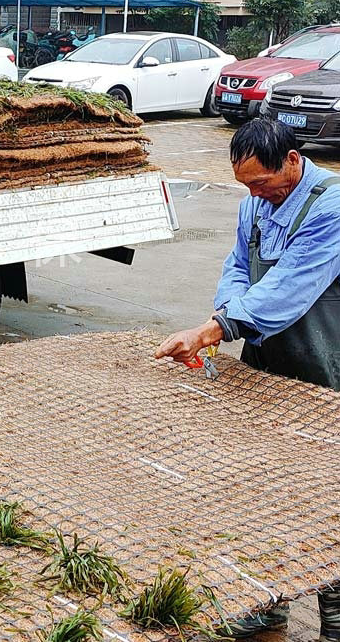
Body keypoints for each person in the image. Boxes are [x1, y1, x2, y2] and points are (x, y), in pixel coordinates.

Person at [156, 118, 340, 640]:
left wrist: (214, 330)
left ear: (292, 160)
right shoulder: (253, 205)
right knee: (266, 488)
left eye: (262, 182)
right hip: (269, 363)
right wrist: (224, 310)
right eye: (246, 185)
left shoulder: (331, 206)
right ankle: (269, 603)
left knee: (324, 495)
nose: (255, 194)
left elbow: (290, 285)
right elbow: (239, 267)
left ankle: (335, 614)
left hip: (326, 368)